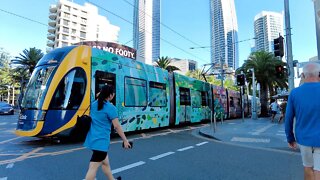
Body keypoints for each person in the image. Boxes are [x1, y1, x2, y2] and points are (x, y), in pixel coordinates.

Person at [84, 85, 131, 180]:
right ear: (110, 95)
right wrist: (125, 140)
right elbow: (117, 126)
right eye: (113, 93)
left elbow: (99, 99)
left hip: (93, 139)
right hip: (101, 142)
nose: (113, 95)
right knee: (93, 168)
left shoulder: (93, 104)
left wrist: (100, 95)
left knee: (105, 164)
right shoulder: (110, 108)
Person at [285, 62, 320, 180]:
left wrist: (290, 138)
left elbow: (288, 118)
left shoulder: (295, 93)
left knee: (307, 168)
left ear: (303, 76)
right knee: (319, 169)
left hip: (304, 138)